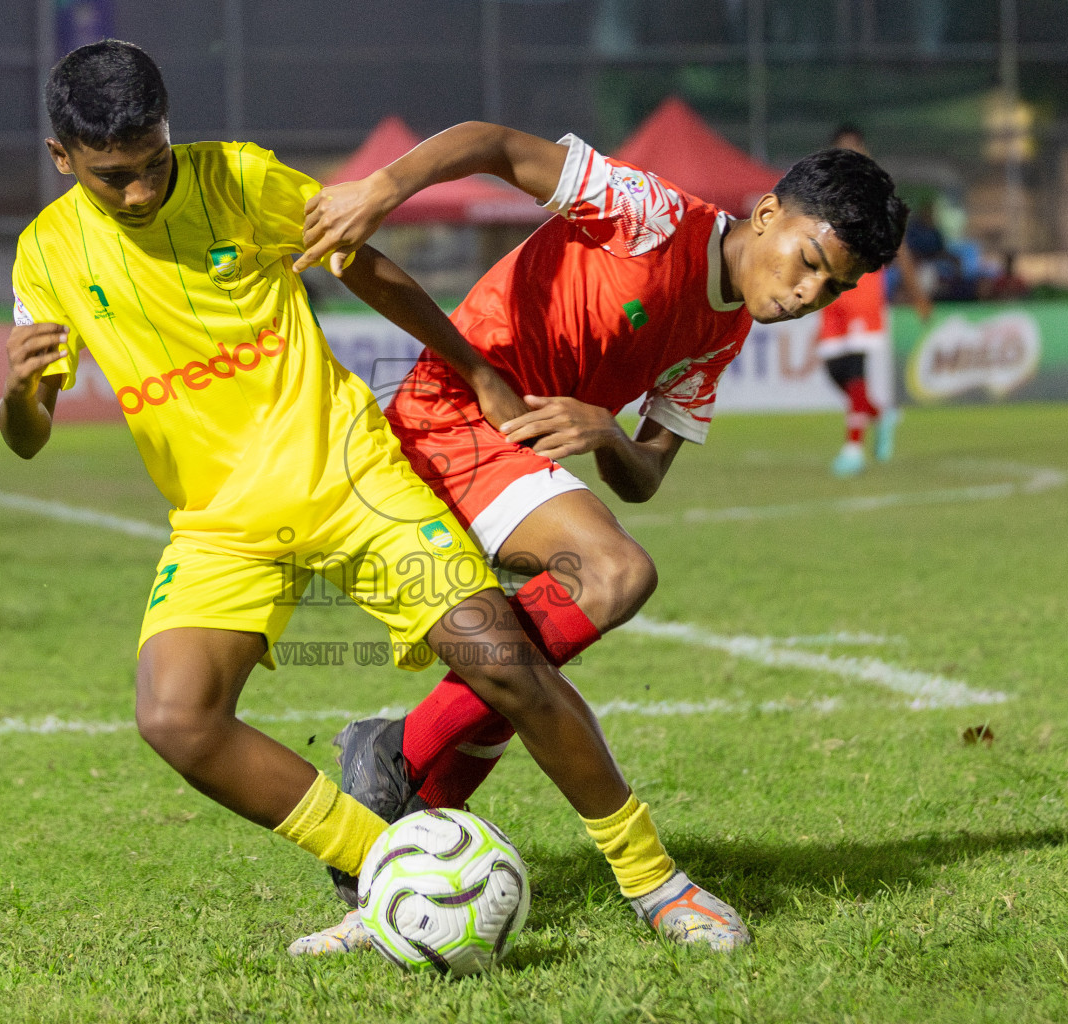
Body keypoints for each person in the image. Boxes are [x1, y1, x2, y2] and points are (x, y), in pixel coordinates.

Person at [1, 40, 747, 963]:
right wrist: (19, 392)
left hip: (353, 481)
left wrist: (476, 369)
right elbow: (28, 432)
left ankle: (654, 882)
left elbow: (365, 266)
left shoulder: (236, 178)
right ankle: (387, 866)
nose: (142, 192)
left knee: (504, 664)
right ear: (61, 158)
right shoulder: (44, 256)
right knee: (175, 719)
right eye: (114, 177)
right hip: (219, 523)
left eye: (154, 162)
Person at [288, 119, 908, 951]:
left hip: (509, 449)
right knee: (613, 575)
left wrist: (607, 433)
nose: (803, 296)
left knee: (526, 658)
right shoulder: (650, 215)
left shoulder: (719, 337)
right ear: (765, 214)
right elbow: (494, 145)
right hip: (452, 414)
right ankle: (404, 753)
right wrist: (382, 188)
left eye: (830, 289)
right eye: (806, 262)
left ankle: (416, 810)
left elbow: (644, 476)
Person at [816, 126, 932, 478]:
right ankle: (883, 415)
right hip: (830, 290)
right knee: (834, 369)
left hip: (863, 287)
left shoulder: (877, 192)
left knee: (854, 371)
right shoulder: (824, 192)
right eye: (842, 150)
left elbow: (900, 246)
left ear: (864, 151)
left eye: (854, 149)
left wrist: (916, 295)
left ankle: (853, 448)